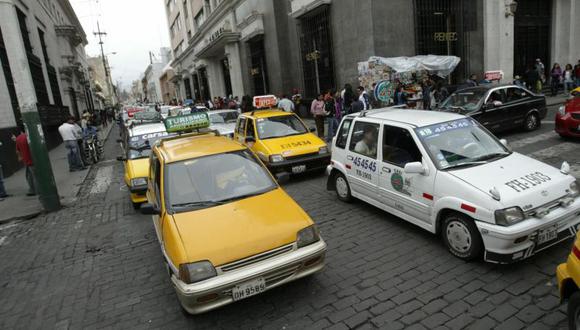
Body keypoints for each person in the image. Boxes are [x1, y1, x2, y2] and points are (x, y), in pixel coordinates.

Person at [14, 126, 36, 196]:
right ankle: (37, 190)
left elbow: (17, 151)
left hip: (26, 160)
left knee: (29, 175)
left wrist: (20, 157)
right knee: (34, 175)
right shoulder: (29, 136)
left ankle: (32, 190)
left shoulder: (18, 138)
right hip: (33, 159)